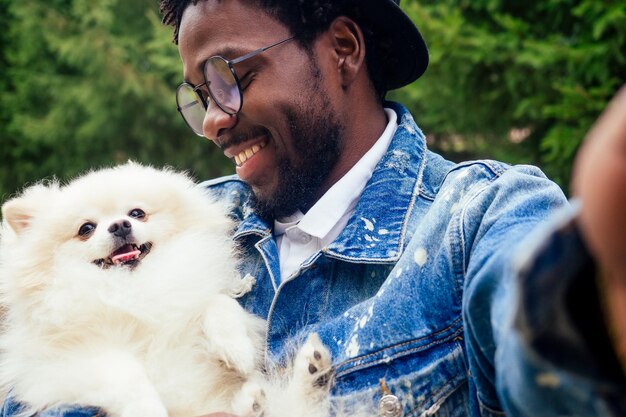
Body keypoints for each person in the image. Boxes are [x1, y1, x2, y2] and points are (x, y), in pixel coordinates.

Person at [2, 0, 625, 416]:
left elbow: (535, 337)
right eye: (199, 94)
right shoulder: (190, 221)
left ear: (344, 49)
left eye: (228, 75)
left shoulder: (477, 216)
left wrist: (595, 299)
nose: (214, 121)